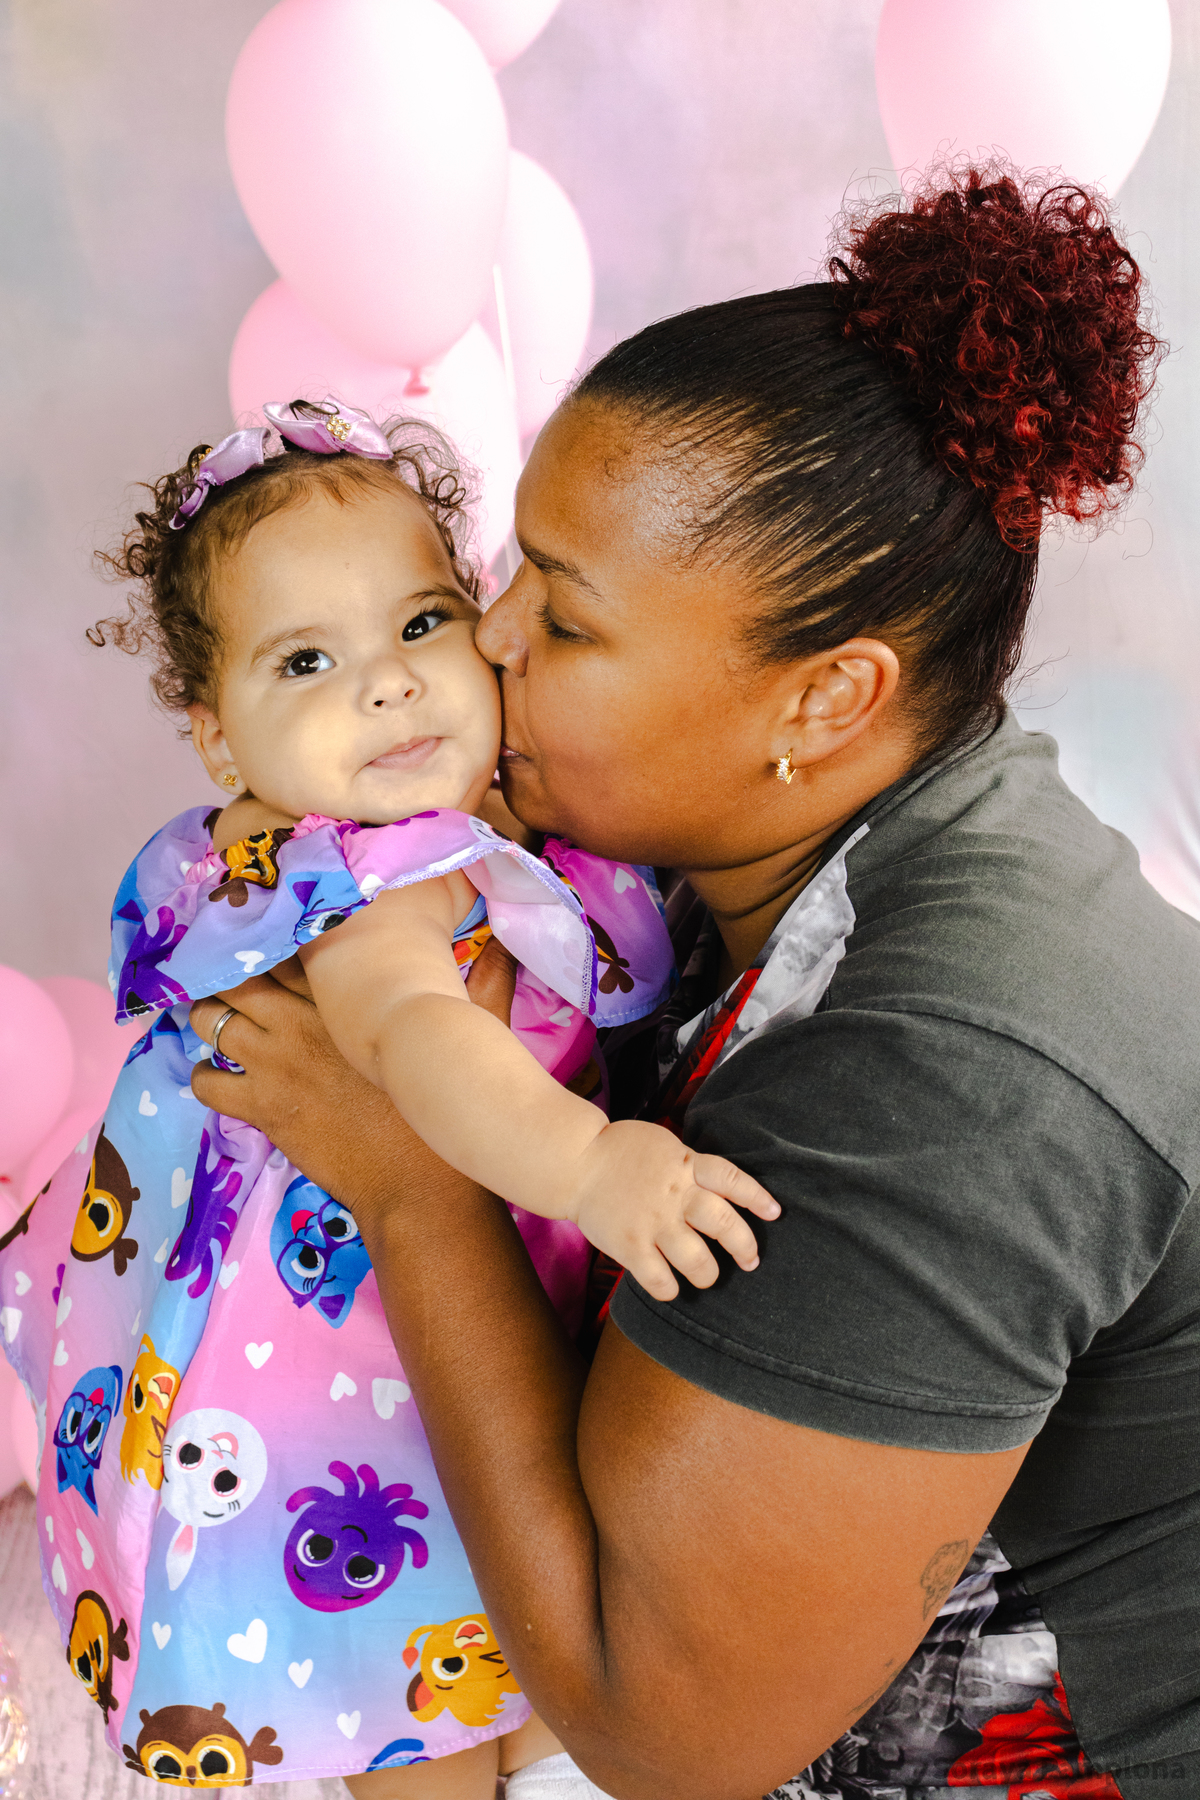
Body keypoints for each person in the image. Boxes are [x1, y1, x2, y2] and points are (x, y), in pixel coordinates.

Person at [189, 169, 1200, 1800]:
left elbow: (655, 1728)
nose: (487, 641)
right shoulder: (713, 849)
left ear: (825, 701)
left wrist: (407, 1179)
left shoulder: (963, 1070)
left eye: (566, 619)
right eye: (503, 577)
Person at [0, 400, 775, 1797]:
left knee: (518, 1666)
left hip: (424, 1332)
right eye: (308, 660)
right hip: (361, 1386)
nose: (388, 685)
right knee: (420, 1689)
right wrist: (593, 1168)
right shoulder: (368, 889)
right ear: (218, 739)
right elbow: (419, 1035)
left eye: (421, 624)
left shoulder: (471, 833)